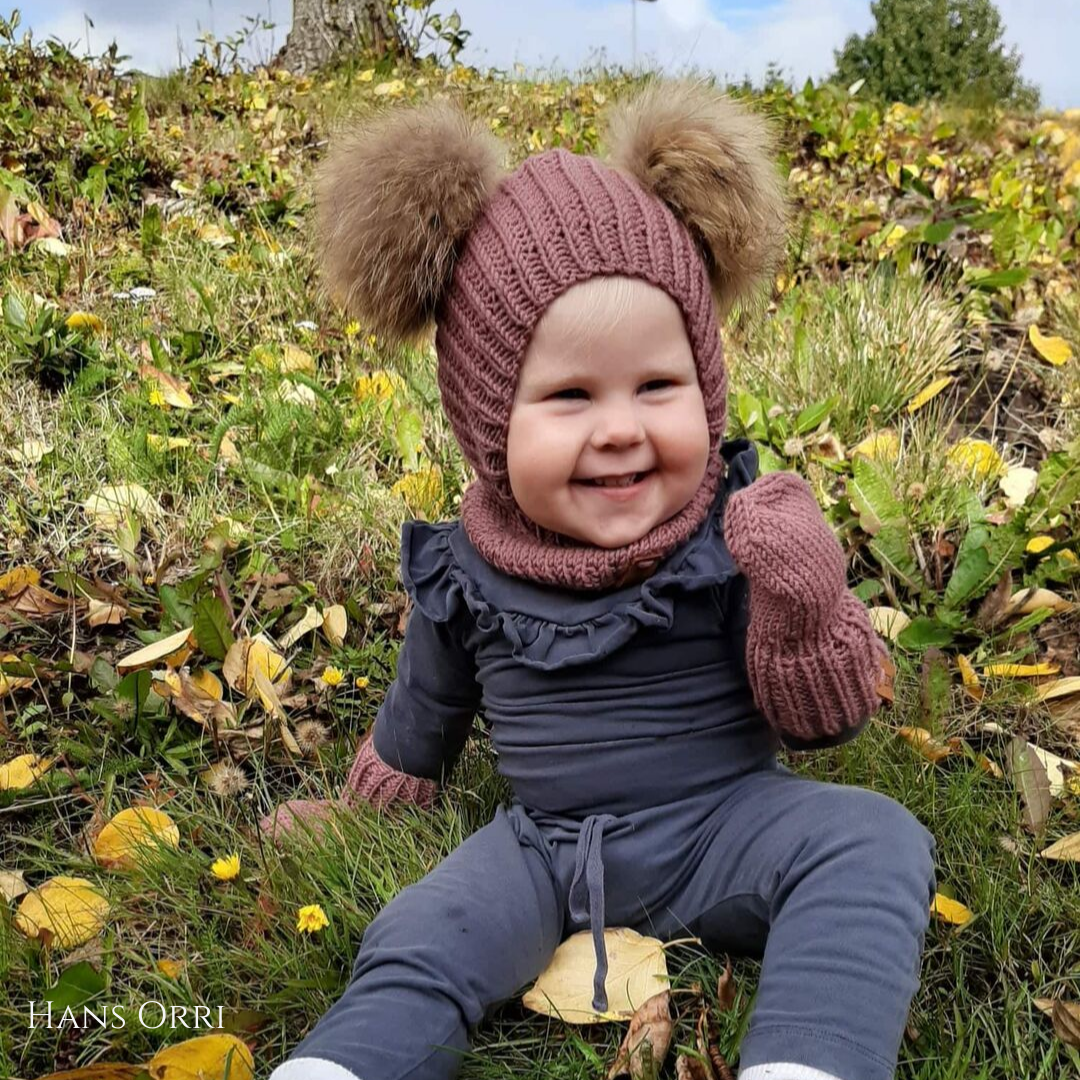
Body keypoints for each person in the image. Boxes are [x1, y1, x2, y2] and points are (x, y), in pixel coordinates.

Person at [261, 79, 936, 1080]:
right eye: (571, 395)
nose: (621, 427)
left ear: (705, 383)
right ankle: (345, 1064)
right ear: (489, 421)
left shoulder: (729, 528)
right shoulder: (470, 566)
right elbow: (429, 702)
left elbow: (822, 722)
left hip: (730, 824)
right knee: (427, 927)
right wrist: (377, 792)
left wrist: (803, 603)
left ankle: (811, 1061)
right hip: (545, 850)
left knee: (872, 840)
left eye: (657, 386)